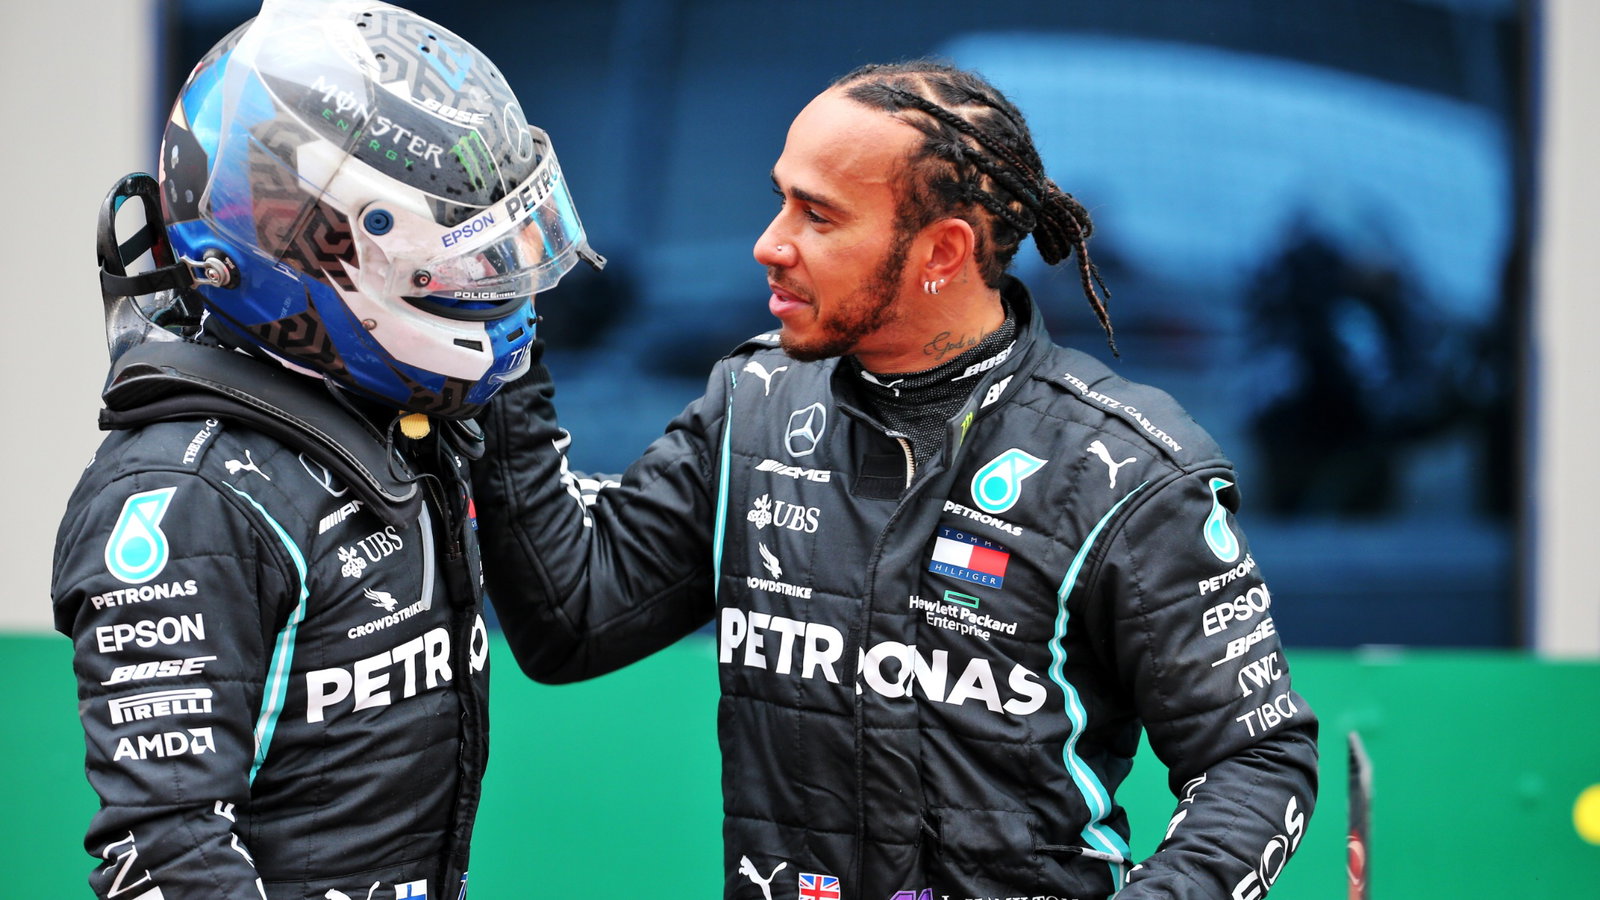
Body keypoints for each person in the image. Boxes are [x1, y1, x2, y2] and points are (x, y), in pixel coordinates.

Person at [474, 60, 1319, 900]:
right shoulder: (754, 405)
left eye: (818, 214)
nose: (771, 244)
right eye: (781, 199)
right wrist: (499, 311)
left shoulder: (1123, 470)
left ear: (942, 251)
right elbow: (569, 617)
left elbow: (1254, 757)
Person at [50, 1, 602, 897]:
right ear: (310, 252)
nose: (497, 302)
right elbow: (165, 851)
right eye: (456, 275)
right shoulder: (189, 498)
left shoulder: (387, 414)